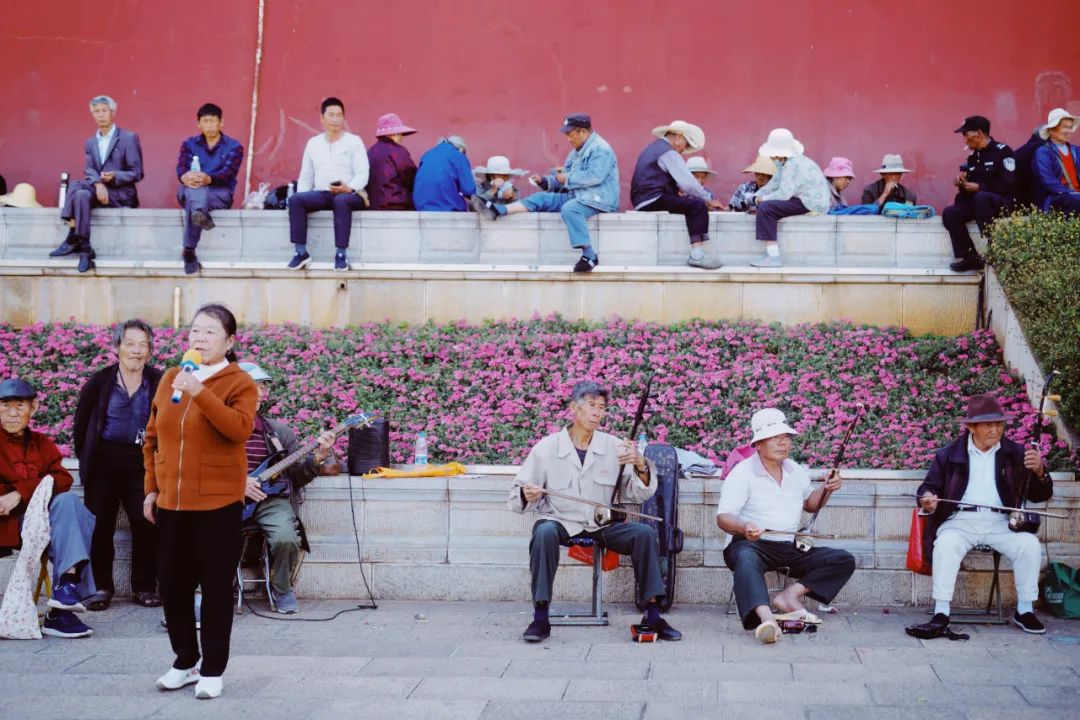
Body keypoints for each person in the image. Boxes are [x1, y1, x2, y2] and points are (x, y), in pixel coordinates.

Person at [143, 304, 258, 699]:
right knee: (172, 585)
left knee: (214, 587)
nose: (199, 339)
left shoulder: (239, 382)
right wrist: (151, 488)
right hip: (172, 503)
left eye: (210, 332)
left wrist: (202, 393)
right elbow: (153, 437)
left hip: (217, 504)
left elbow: (238, 430)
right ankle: (185, 661)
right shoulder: (172, 376)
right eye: (195, 331)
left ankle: (212, 669)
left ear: (229, 341)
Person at [508, 381, 681, 643]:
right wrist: (527, 493)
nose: (598, 412)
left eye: (602, 407)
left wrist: (641, 464)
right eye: (592, 405)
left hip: (603, 523)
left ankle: (653, 613)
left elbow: (636, 493)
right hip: (561, 520)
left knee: (644, 533)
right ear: (573, 409)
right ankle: (541, 616)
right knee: (543, 531)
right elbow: (517, 495)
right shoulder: (546, 448)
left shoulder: (614, 446)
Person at [909, 394, 1051, 637]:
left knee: (1028, 544)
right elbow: (927, 488)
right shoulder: (948, 454)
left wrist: (1039, 472)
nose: (995, 429)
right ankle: (941, 611)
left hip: (1002, 522)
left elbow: (1040, 495)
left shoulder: (1016, 453)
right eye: (988, 424)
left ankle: (1025, 609)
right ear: (971, 427)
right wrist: (928, 499)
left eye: (999, 424)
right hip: (960, 520)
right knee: (946, 544)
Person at [716, 408, 855, 644]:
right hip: (751, 544)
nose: (783, 442)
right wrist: (744, 526)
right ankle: (767, 619)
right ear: (758, 444)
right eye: (775, 437)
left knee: (843, 559)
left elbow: (810, 505)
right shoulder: (742, 473)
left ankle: (789, 596)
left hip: (788, 545)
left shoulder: (795, 470)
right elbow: (723, 517)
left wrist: (827, 488)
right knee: (746, 559)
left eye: (787, 437)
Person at [73, 319, 163, 611]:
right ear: (117, 347)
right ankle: (101, 587)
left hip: (143, 461)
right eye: (130, 344)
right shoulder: (100, 382)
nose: (137, 351)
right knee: (100, 526)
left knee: (146, 522)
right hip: (104, 461)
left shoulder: (159, 381)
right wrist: (89, 461)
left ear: (150, 350)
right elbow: (81, 425)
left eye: (143, 345)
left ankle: (145, 587)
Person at [0, 378, 98, 638]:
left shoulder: (41, 443)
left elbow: (62, 479)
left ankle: (65, 590)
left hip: (38, 523)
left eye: (19, 405)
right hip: (5, 524)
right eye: (5, 405)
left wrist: (19, 493)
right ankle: (63, 604)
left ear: (33, 408)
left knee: (68, 503)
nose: (12, 412)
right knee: (75, 522)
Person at [239, 362, 335, 614]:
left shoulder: (278, 433)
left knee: (286, 538)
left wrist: (318, 457)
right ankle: (205, 593)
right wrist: (237, 483)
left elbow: (297, 477)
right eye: (255, 387)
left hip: (270, 501)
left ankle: (282, 589)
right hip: (225, 497)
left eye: (263, 387)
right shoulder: (215, 429)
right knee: (205, 536)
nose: (262, 393)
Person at [475, 114, 619, 273]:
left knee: (570, 209)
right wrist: (545, 181)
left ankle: (589, 255)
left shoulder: (601, 149)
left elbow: (594, 176)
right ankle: (498, 210)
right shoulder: (575, 153)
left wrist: (566, 177)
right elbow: (565, 178)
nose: (568, 139)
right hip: (579, 196)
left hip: (598, 199)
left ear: (582, 131)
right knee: (541, 198)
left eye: (570, 134)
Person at [49, 95, 144, 273]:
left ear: (113, 112)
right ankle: (85, 248)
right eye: (96, 111)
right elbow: (90, 169)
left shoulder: (128, 138)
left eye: (104, 110)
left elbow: (137, 173)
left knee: (77, 185)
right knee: (81, 194)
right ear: (92, 115)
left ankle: (72, 234)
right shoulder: (90, 142)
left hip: (121, 195)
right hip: (98, 192)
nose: (100, 115)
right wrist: (99, 184)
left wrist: (115, 176)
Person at [287, 97, 370, 272]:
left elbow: (363, 173)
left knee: (341, 201)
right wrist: (303, 196)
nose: (335, 119)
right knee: (296, 200)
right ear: (322, 118)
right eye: (331, 115)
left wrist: (350, 187)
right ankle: (300, 253)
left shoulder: (354, 141)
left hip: (351, 194)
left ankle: (341, 255)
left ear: (344, 118)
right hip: (323, 192)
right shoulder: (313, 143)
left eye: (339, 115)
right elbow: (306, 175)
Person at [631, 120, 726, 269]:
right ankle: (697, 255)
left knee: (689, 203)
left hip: (642, 199)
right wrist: (709, 199)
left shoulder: (653, 148)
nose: (683, 150)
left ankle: (700, 250)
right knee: (697, 206)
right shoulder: (668, 151)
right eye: (685, 144)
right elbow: (688, 184)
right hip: (652, 198)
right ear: (678, 137)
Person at [175, 103, 244, 275]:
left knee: (195, 193)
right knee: (194, 189)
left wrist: (208, 178)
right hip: (190, 190)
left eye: (213, 121)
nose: (209, 125)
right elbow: (182, 167)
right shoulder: (189, 144)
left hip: (219, 194)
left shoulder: (234, 146)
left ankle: (189, 249)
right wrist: (184, 177)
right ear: (199, 124)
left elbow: (228, 173)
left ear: (221, 123)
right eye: (205, 121)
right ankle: (200, 214)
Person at [942, 116, 1016, 272]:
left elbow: (1008, 183)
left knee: (981, 197)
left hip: (999, 201)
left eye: (966, 134)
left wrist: (980, 187)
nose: (964, 140)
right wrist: (962, 183)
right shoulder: (973, 156)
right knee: (950, 213)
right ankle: (969, 256)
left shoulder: (1003, 151)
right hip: (978, 202)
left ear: (980, 133)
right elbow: (971, 185)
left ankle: (994, 246)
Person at [748, 129, 830, 267]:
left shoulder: (793, 165)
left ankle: (773, 256)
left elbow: (783, 194)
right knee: (766, 205)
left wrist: (759, 200)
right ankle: (770, 254)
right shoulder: (786, 163)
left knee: (766, 208)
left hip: (811, 202)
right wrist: (755, 196)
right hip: (805, 200)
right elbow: (774, 184)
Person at [1032, 107, 1080, 216]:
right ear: (1052, 131)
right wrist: (1073, 193)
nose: (1069, 131)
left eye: (1070, 127)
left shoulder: (1076, 150)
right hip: (1057, 198)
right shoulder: (1043, 152)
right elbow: (1049, 183)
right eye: (1065, 127)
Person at [366, 112, 418, 211]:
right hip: (397, 203)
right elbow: (412, 178)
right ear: (393, 134)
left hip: (373, 204)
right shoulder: (398, 151)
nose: (401, 137)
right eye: (400, 134)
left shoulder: (371, 151)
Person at [413, 136, 476, 211]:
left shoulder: (427, 154)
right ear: (461, 149)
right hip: (446, 207)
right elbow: (469, 189)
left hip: (421, 206)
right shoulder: (458, 156)